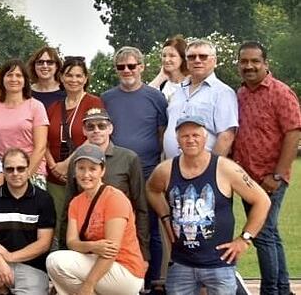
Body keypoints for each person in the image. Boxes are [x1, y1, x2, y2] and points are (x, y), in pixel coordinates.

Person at [146, 115, 271, 295]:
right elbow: (151, 189)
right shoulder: (166, 170)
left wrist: (244, 239)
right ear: (177, 141)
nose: (190, 140)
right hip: (181, 263)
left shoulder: (226, 169)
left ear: (205, 138)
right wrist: (165, 217)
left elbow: (262, 200)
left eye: (196, 135)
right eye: (185, 136)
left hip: (219, 264)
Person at [232, 41, 301, 295]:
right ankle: (283, 289)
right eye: (244, 62)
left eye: (254, 61)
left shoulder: (280, 93)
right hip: (247, 179)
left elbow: (293, 134)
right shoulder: (239, 94)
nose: (249, 66)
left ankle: (270, 290)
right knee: (270, 233)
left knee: (261, 234)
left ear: (265, 64)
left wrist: (278, 175)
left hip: (271, 178)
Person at [100, 45, 167, 289]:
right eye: (121, 67)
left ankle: (150, 282)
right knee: (116, 226)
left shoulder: (155, 97)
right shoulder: (107, 98)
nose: (126, 71)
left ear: (141, 67)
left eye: (131, 66)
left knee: (148, 227)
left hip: (148, 171)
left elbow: (162, 133)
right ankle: (120, 281)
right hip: (117, 172)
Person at [46, 144, 147, 295]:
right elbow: (72, 243)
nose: (86, 174)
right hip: (96, 261)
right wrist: (93, 246)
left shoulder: (114, 198)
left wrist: (88, 285)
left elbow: (110, 251)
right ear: (75, 171)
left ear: (102, 171)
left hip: (124, 269)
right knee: (55, 262)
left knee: (57, 261)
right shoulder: (76, 202)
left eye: (92, 169)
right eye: (81, 168)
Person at [61, 110, 148, 261]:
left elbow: (141, 207)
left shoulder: (128, 158)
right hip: (87, 244)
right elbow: (69, 204)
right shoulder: (76, 159)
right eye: (90, 126)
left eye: (101, 126)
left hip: (123, 242)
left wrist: (144, 253)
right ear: (84, 130)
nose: (96, 130)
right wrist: (64, 249)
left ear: (110, 128)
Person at [0, 148, 55, 295]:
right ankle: (4, 291)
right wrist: (1, 262)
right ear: (4, 172)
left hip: (32, 267)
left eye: (20, 169)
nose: (15, 173)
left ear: (28, 169)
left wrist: (11, 256)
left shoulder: (44, 199)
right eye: (10, 169)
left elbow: (44, 244)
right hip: (0, 263)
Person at [44, 57, 103, 224]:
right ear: (62, 77)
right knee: (57, 222)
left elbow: (94, 136)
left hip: (83, 175)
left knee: (81, 221)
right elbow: (44, 141)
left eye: (79, 76)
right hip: (55, 178)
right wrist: (54, 167)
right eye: (69, 75)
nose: (74, 80)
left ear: (85, 78)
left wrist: (67, 164)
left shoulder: (94, 103)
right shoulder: (54, 107)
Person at [164, 39, 238, 158]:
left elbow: (226, 136)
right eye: (192, 57)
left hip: (202, 170)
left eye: (203, 57)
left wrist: (210, 170)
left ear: (214, 61)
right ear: (186, 62)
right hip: (173, 168)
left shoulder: (223, 92)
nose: (197, 60)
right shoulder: (177, 91)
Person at [0, 59, 49, 188]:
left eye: (18, 75)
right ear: (2, 79)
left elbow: (40, 147)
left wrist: (25, 174)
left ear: (25, 81)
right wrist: (2, 175)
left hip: (33, 172)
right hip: (2, 174)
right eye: (9, 75)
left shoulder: (36, 107)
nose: (14, 79)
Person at [148, 35, 189, 102]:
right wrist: (160, 77)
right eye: (164, 56)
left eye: (172, 56)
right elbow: (144, 98)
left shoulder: (191, 83)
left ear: (183, 58)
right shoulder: (162, 85)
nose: (166, 60)